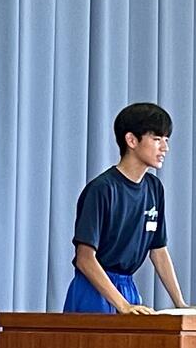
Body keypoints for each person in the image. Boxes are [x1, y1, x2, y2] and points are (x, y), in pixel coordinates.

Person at [63, 102, 189, 314]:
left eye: (166, 140)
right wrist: (122, 305)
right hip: (95, 288)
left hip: (127, 287)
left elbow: (158, 250)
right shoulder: (102, 189)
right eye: (157, 139)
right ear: (131, 140)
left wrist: (181, 305)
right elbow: (85, 258)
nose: (165, 148)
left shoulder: (154, 188)